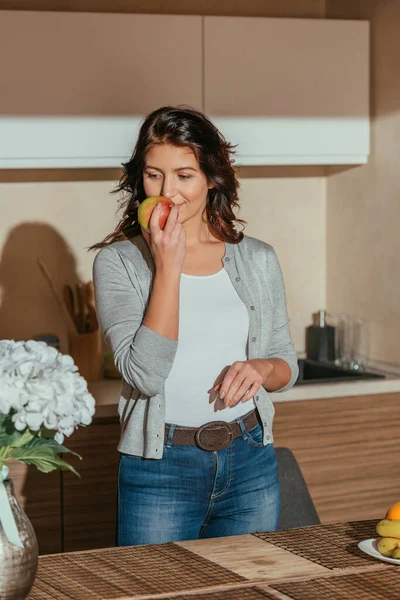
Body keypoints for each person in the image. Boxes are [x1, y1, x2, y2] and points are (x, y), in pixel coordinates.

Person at [91, 105, 299, 547]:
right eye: (153, 175)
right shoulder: (119, 263)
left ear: (211, 178)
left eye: (184, 175)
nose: (168, 192)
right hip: (160, 466)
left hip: (250, 459)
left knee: (247, 591)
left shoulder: (258, 258)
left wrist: (262, 368)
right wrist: (168, 267)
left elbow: (286, 364)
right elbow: (144, 376)